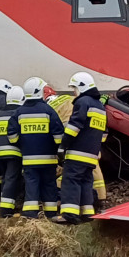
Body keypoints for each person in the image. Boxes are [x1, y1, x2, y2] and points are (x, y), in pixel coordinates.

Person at [53, 72, 108, 224]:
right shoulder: (100, 107)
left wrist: (63, 145)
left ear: (81, 87)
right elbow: (104, 132)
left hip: (77, 152)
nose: (74, 92)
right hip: (91, 154)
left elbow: (74, 127)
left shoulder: (82, 102)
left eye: (75, 88)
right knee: (86, 181)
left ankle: (69, 215)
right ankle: (87, 213)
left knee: (71, 180)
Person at [7, 76, 64, 218]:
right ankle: (50, 213)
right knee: (49, 184)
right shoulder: (49, 111)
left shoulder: (18, 112)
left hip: (29, 159)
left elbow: (12, 135)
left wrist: (22, 143)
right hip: (49, 159)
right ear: (40, 92)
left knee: (31, 184)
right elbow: (59, 136)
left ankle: (30, 213)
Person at [0, 85, 25, 217]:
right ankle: (6, 210)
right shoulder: (18, 113)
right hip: (13, 151)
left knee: (6, 178)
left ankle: (5, 202)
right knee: (11, 178)